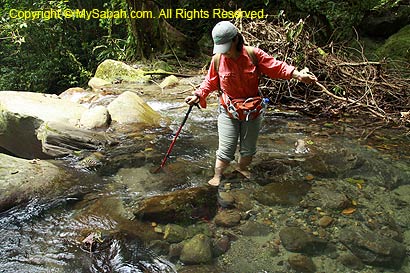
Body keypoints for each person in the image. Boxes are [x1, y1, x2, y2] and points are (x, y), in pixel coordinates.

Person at [185, 21, 317, 187]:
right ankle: (217, 175)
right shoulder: (217, 60)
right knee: (226, 148)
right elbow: (209, 82)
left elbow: (276, 67)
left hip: (252, 111)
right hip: (228, 110)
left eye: (226, 47)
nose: (224, 52)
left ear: (235, 40)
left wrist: (297, 75)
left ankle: (242, 168)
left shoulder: (253, 54)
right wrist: (198, 94)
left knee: (248, 148)